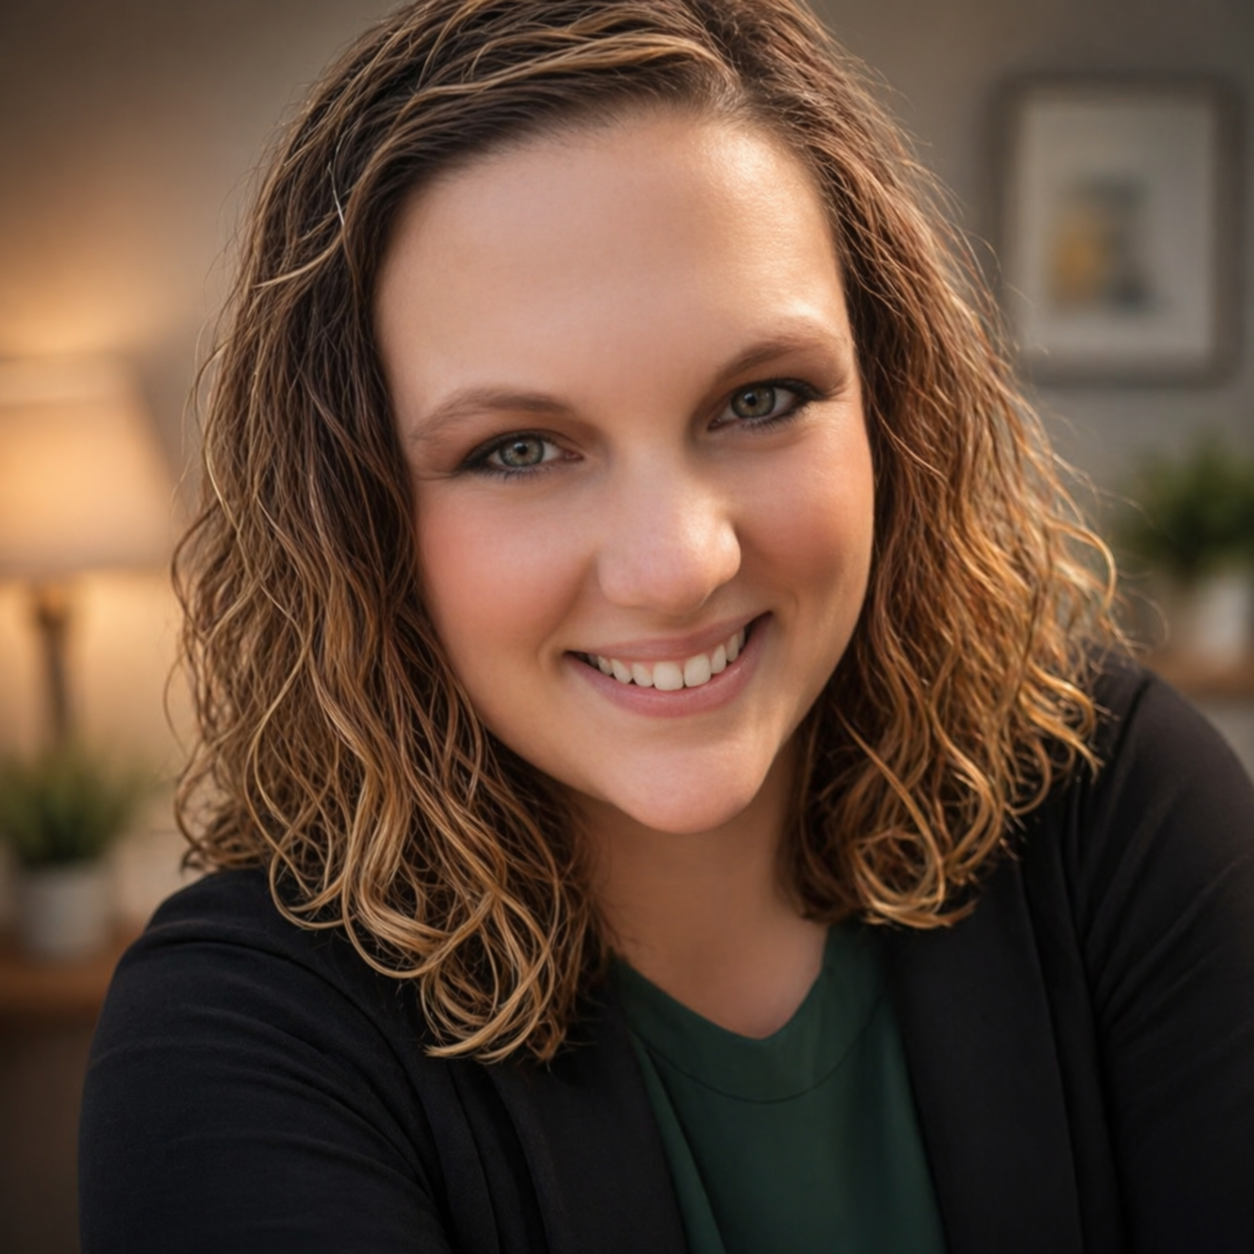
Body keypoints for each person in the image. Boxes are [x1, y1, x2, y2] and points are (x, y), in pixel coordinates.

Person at [79, 1, 1254, 1251]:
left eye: (761, 399)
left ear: (891, 411)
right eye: (518, 449)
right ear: (358, 517)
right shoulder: (234, 1039)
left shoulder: (1112, 802)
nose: (680, 566)